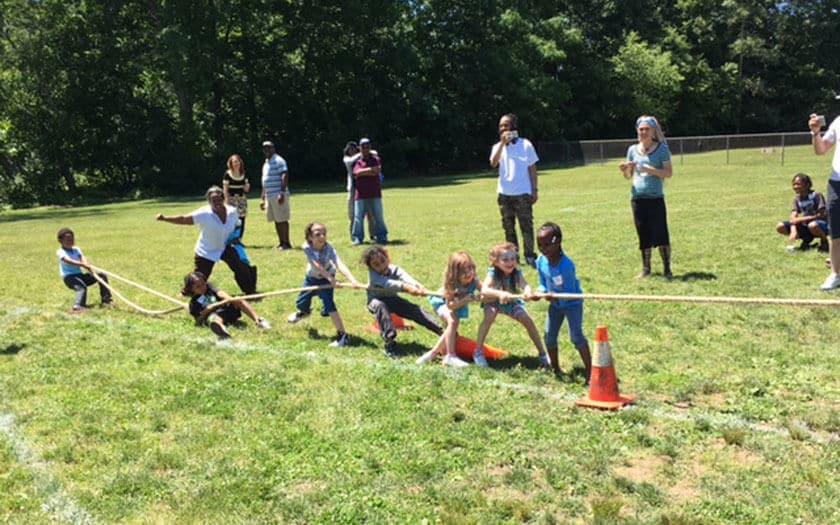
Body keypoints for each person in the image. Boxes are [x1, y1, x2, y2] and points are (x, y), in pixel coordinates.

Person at [156, 186, 256, 295]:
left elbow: (237, 225)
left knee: (241, 266)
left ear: (223, 199)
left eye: (219, 200)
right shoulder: (204, 214)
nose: (217, 203)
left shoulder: (232, 212)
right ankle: (186, 292)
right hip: (207, 250)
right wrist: (165, 218)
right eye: (213, 201)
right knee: (199, 276)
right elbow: (183, 219)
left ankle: (250, 290)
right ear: (209, 201)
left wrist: (235, 238)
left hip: (225, 246)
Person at [530, 222, 592, 381]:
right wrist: (540, 292)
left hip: (572, 304)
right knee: (549, 336)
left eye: (547, 245)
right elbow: (543, 282)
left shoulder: (566, 266)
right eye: (540, 245)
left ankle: (591, 371)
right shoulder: (541, 261)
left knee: (576, 337)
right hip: (555, 305)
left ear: (558, 243)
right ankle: (555, 369)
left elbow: (570, 292)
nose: (543, 249)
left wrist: (555, 295)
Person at [474, 242, 549, 368]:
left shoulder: (516, 272)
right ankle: (478, 352)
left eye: (513, 259)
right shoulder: (492, 272)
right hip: (492, 301)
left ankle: (542, 354)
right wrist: (499, 294)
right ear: (496, 262)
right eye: (505, 260)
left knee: (527, 320)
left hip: (510, 302)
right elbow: (484, 290)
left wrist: (527, 291)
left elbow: (525, 285)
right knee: (489, 316)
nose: (510, 262)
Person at [287, 222, 361, 347]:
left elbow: (339, 264)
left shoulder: (329, 249)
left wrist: (352, 280)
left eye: (324, 234)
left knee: (329, 305)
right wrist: (332, 279)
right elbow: (317, 265)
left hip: (326, 279)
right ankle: (304, 312)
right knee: (301, 302)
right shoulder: (307, 247)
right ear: (310, 237)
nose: (322, 237)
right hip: (312, 278)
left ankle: (343, 335)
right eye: (317, 234)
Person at [362, 245, 443, 358]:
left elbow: (404, 276)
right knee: (381, 307)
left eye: (383, 261)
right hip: (376, 300)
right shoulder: (374, 276)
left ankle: (442, 332)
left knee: (414, 310)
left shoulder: (394, 269)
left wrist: (417, 286)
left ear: (387, 258)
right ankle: (390, 343)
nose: (381, 266)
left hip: (392, 299)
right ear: (371, 267)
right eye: (376, 265)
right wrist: (408, 288)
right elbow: (392, 284)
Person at [619, 115, 674, 279]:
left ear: (653, 131)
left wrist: (650, 170)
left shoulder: (662, 149)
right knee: (643, 233)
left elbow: (668, 173)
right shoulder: (632, 150)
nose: (643, 132)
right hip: (637, 198)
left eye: (646, 129)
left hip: (655, 198)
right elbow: (629, 176)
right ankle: (646, 268)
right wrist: (625, 170)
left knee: (661, 233)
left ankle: (667, 268)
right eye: (640, 129)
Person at [490, 113, 539, 267]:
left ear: (513, 127)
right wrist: (502, 145)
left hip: (523, 194)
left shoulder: (526, 145)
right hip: (504, 194)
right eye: (500, 126)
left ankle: (530, 255)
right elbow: (493, 163)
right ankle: (513, 257)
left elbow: (532, 168)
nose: (503, 128)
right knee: (508, 228)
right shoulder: (497, 147)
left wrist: (534, 190)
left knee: (527, 227)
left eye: (506, 125)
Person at [416, 251, 480, 368]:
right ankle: (450, 355)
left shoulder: (474, 280)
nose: (469, 274)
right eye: (464, 272)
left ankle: (433, 353)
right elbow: (450, 305)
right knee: (453, 321)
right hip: (441, 303)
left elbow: (484, 291)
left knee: (452, 329)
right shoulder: (451, 283)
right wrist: (465, 300)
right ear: (455, 273)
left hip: (457, 303)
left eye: (470, 269)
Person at [182, 271, 270, 339]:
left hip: (228, 311)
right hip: (215, 316)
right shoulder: (194, 303)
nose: (202, 287)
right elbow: (198, 321)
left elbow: (220, 293)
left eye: (203, 284)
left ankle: (259, 320)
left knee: (238, 300)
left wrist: (229, 298)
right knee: (214, 318)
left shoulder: (209, 287)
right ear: (191, 289)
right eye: (198, 286)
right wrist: (207, 310)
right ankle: (221, 329)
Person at [808, 113, 840, 290]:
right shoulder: (838, 121)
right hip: (837, 184)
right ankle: (835, 274)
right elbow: (821, 150)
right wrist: (815, 133)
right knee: (836, 233)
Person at [56, 227, 112, 313]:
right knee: (81, 287)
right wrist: (82, 264)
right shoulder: (60, 251)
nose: (70, 241)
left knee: (101, 275)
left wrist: (86, 264)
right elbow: (67, 260)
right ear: (60, 241)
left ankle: (106, 300)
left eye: (72, 239)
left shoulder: (76, 249)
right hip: (69, 278)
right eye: (67, 239)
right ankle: (78, 307)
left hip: (80, 275)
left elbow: (82, 258)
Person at [775, 173, 828, 253]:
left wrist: (800, 219)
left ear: (807, 185)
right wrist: (793, 230)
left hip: (821, 225)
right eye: (794, 184)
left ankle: (824, 242)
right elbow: (793, 216)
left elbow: (821, 215)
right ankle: (807, 240)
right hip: (806, 225)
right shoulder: (797, 199)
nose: (795, 187)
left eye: (798, 184)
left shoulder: (816, 195)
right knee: (780, 226)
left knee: (812, 225)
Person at [351, 138, 388, 245]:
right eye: (363, 146)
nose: (365, 149)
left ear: (370, 147)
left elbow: (377, 170)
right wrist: (370, 171)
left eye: (367, 146)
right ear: (359, 148)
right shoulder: (357, 161)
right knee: (358, 218)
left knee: (378, 216)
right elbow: (356, 173)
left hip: (375, 192)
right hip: (360, 194)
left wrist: (364, 172)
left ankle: (382, 236)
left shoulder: (375, 158)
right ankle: (357, 238)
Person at [260, 140, 292, 250]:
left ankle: (287, 243)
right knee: (276, 219)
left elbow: (285, 175)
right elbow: (265, 181)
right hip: (269, 195)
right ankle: (281, 242)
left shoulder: (279, 160)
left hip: (278, 194)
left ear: (273, 148)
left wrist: (282, 192)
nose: (266, 150)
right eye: (264, 148)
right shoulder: (266, 163)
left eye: (269, 147)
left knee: (282, 219)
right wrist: (263, 197)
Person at [343, 141, 377, 240]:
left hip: (365, 188)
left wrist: (365, 152)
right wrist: (362, 153)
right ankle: (354, 236)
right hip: (353, 189)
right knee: (353, 215)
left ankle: (373, 234)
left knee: (371, 213)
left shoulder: (363, 158)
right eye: (350, 149)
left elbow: (375, 153)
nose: (352, 151)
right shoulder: (347, 159)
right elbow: (350, 161)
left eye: (354, 148)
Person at [222, 154, 250, 240]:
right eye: (234, 162)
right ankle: (230, 238)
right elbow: (225, 189)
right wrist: (226, 201)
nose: (236, 164)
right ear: (231, 163)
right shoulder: (227, 174)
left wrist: (247, 186)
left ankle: (239, 238)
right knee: (231, 219)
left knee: (241, 219)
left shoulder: (244, 174)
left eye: (237, 162)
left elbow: (246, 189)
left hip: (241, 200)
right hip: (231, 200)